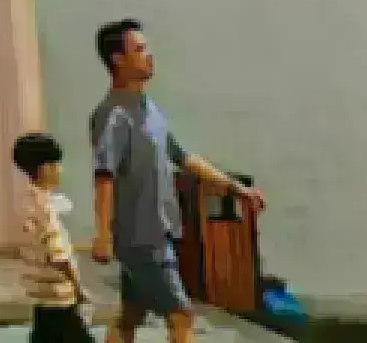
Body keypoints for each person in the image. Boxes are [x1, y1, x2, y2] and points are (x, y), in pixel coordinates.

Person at [91, 19, 266, 343]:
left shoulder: (151, 110)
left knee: (131, 314)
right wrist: (101, 234)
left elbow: (184, 158)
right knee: (181, 315)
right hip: (140, 237)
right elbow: (104, 175)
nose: (150, 56)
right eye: (140, 49)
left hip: (161, 229)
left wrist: (236, 189)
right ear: (118, 59)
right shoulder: (113, 115)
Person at [12, 131, 91, 343]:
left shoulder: (27, 201)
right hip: (59, 296)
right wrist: (78, 287)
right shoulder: (46, 209)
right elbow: (60, 256)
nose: (60, 170)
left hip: (40, 295)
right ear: (45, 169)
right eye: (57, 165)